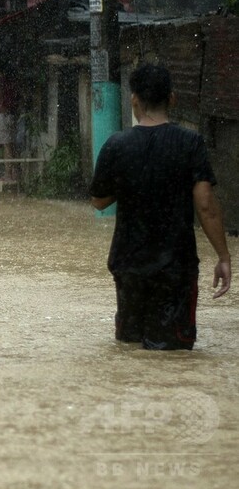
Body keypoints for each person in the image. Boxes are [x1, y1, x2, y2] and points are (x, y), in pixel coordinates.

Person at [90, 63, 231, 350]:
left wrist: (135, 179)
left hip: (128, 265)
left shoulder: (116, 145)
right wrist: (223, 256)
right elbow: (206, 206)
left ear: (134, 100)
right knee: (172, 357)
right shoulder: (191, 143)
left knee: (130, 352)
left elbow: (99, 200)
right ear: (173, 98)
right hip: (175, 270)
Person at [0, 69, 18, 181]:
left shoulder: (2, 82)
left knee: (7, 146)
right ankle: (14, 172)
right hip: (11, 115)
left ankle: (8, 174)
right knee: (11, 145)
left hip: (5, 115)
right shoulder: (13, 82)